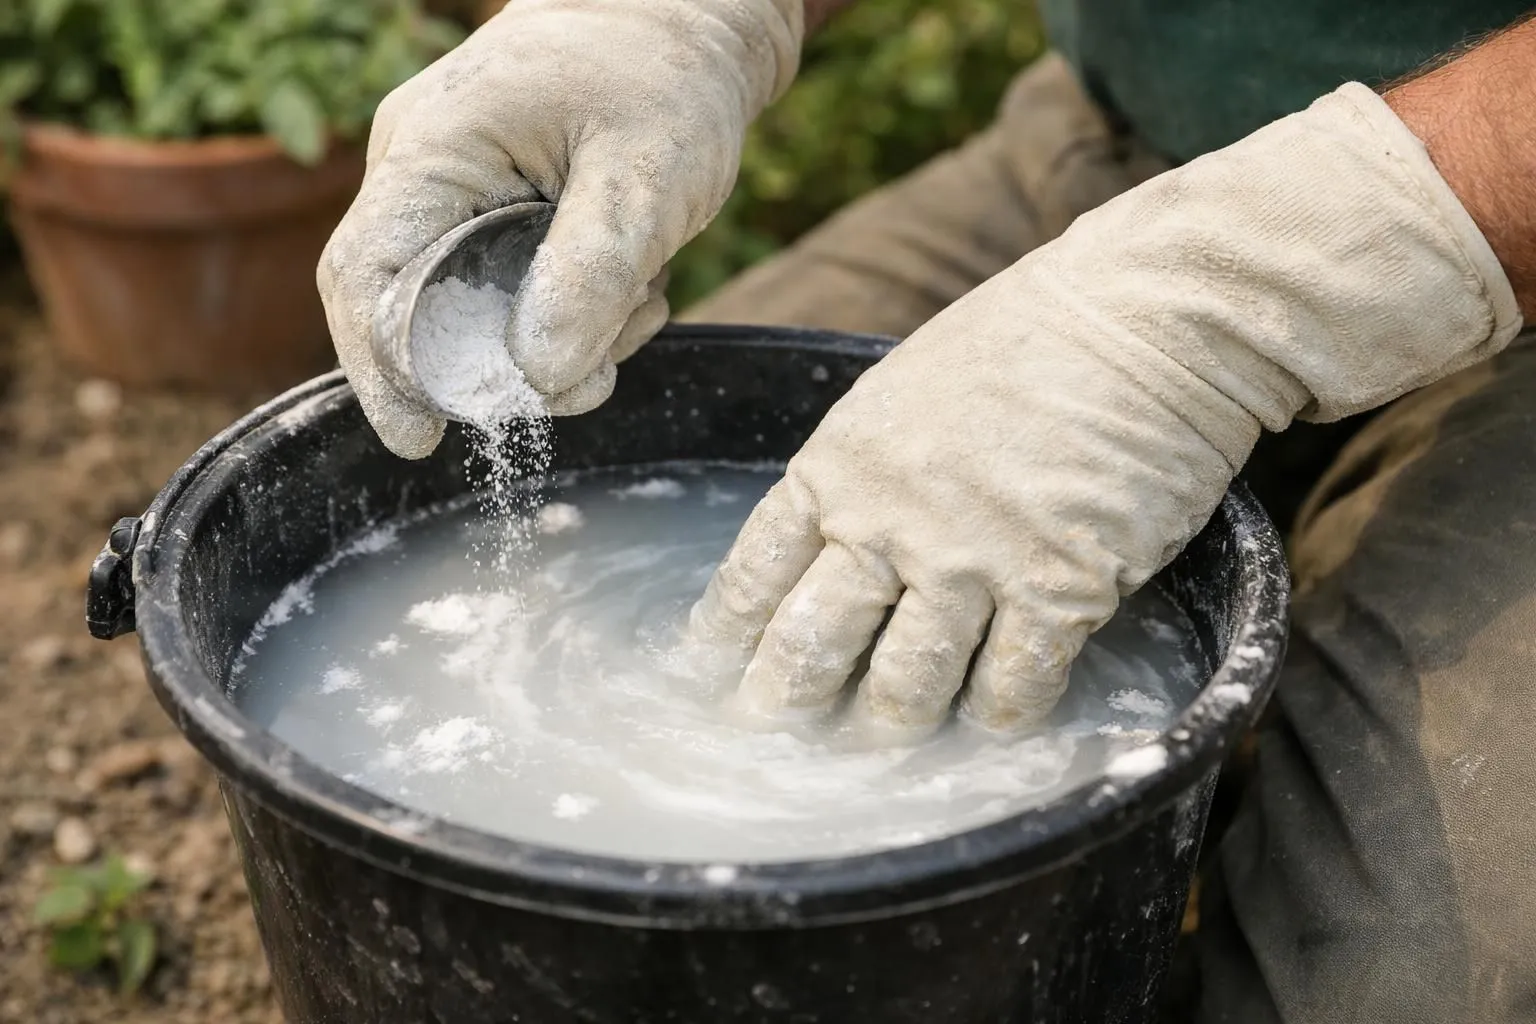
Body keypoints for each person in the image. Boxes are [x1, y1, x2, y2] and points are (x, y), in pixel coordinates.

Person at [317, 2, 1536, 1019]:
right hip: (1147, 146)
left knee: (1412, 979)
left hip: (1493, 206)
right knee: (691, 457)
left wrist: (1224, 304)